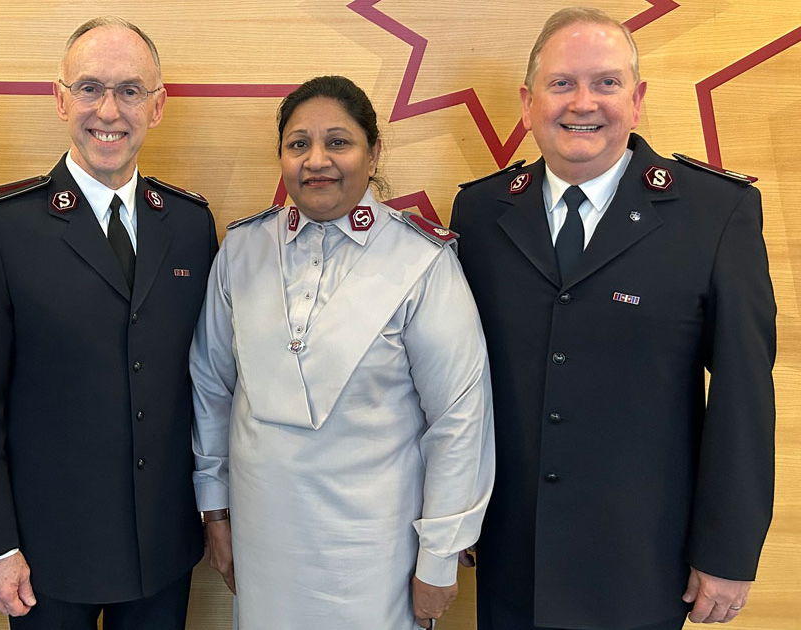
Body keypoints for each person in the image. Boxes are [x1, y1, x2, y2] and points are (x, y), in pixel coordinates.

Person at [449, 7, 776, 630]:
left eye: (606, 82)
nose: (583, 103)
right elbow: (459, 384)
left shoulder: (715, 214)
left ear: (637, 97)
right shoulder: (480, 212)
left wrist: (729, 551)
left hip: (641, 559)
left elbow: (743, 396)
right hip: (511, 553)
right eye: (561, 83)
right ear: (527, 101)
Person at [191, 75, 495, 630]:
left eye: (338, 142)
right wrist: (215, 509)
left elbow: (459, 419)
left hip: (376, 556)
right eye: (298, 143)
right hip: (264, 544)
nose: (317, 160)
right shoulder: (241, 250)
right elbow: (211, 386)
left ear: (374, 151)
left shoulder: (421, 260)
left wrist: (440, 556)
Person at [0, 16, 217, 630]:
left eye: (130, 90)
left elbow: (202, 383)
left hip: (162, 549)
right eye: (90, 88)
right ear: (61, 98)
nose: (109, 111)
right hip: (45, 556)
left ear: (159, 105)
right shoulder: (2, 228)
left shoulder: (190, 225)